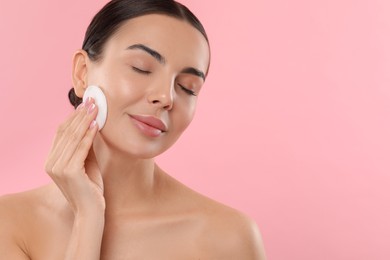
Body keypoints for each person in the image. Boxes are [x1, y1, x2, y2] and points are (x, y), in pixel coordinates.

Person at [0, 0, 266, 259]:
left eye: (187, 87)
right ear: (83, 73)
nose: (166, 97)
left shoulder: (227, 237)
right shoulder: (10, 223)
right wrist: (88, 218)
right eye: (141, 68)